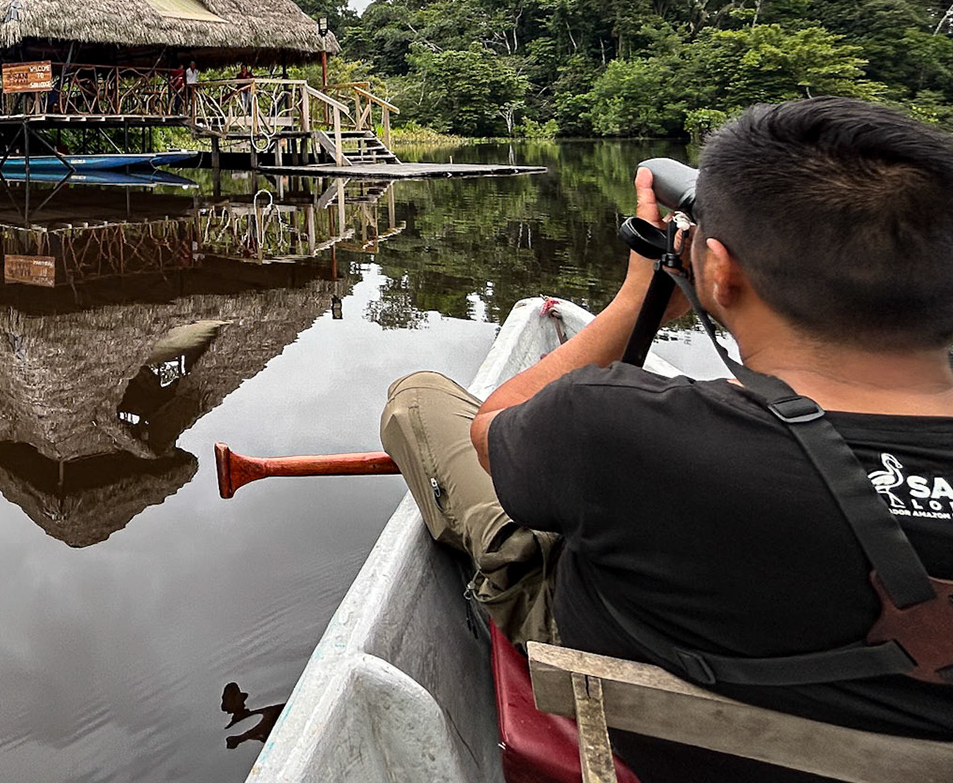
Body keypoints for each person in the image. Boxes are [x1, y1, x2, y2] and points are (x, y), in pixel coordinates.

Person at [379, 98, 953, 782]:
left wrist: (635, 301)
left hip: (657, 733)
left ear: (719, 269)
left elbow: (487, 431)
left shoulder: (609, 426)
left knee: (421, 398)